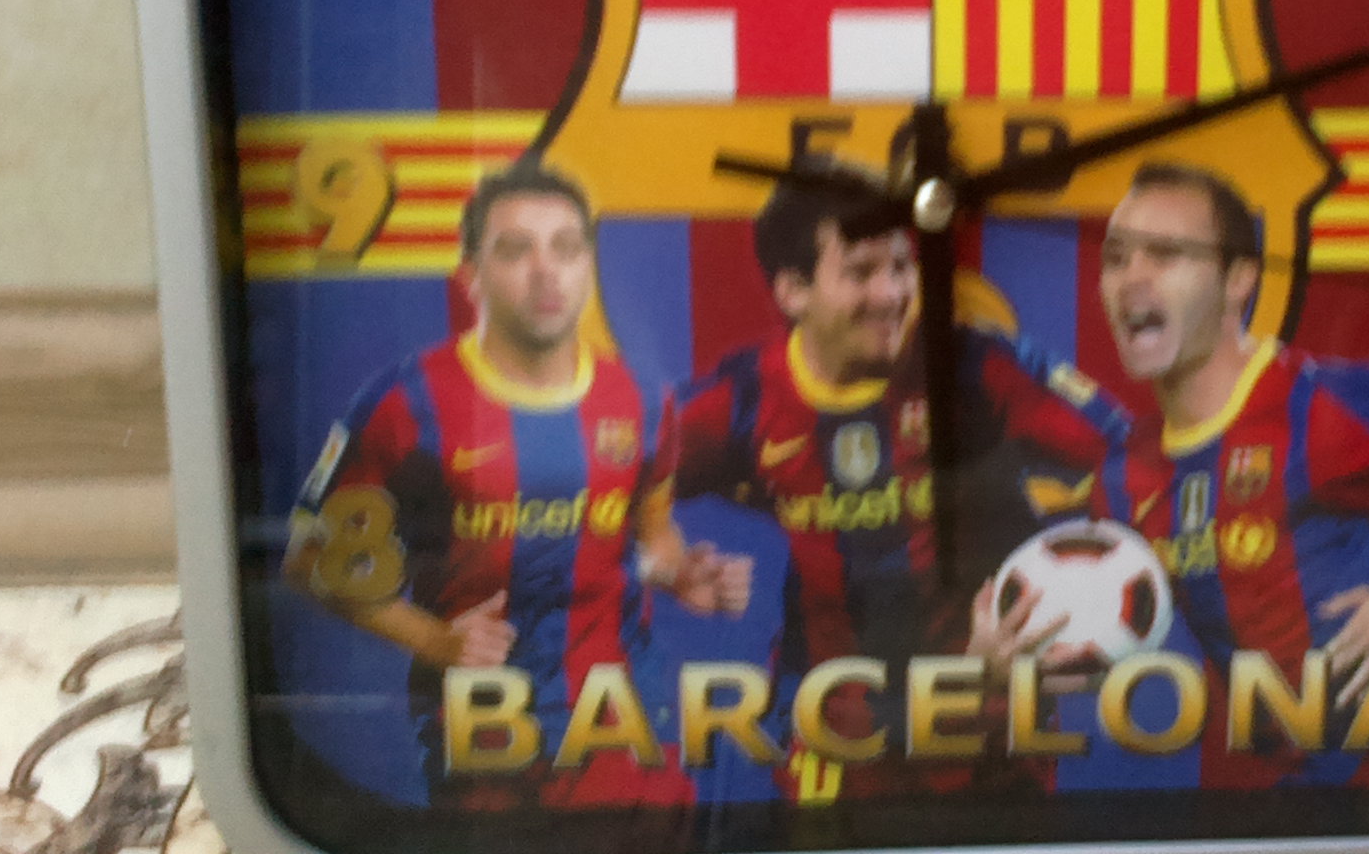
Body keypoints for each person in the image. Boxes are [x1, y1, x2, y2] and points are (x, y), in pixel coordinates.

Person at [1007, 160, 1369, 787]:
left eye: (1165, 254)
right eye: (1115, 259)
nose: (1132, 277)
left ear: (1238, 279)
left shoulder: (1326, 404)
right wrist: (1014, 657)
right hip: (1278, 800)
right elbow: (1098, 632)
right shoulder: (1123, 473)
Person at [285, 157, 752, 809]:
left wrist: (677, 573)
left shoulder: (646, 400)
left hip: (626, 728)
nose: (545, 271)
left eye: (566, 248)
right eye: (515, 251)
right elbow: (308, 558)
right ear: (470, 277)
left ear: (588, 267)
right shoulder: (403, 403)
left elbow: (651, 537)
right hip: (483, 735)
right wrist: (434, 640)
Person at [674, 166, 1125, 803]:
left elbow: (1134, 460)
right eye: (861, 272)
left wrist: (1071, 609)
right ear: (794, 290)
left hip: (989, 729)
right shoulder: (746, 398)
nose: (891, 294)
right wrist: (662, 558)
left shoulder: (976, 368)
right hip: (838, 738)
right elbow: (612, 470)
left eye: (901, 266)